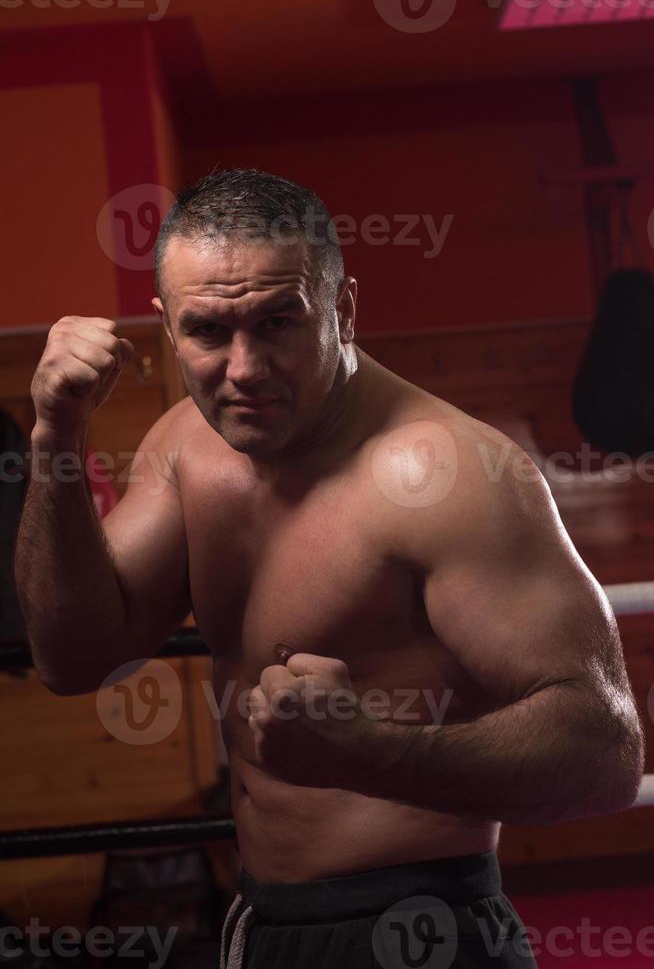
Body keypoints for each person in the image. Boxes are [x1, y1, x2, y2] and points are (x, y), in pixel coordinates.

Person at [15, 169, 644, 969]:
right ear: (167, 329)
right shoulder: (184, 446)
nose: (244, 368)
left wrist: (373, 753)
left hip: (424, 927)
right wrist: (55, 437)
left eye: (279, 321)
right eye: (209, 330)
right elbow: (72, 657)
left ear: (343, 310)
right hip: (265, 920)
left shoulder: (444, 474)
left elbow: (605, 756)